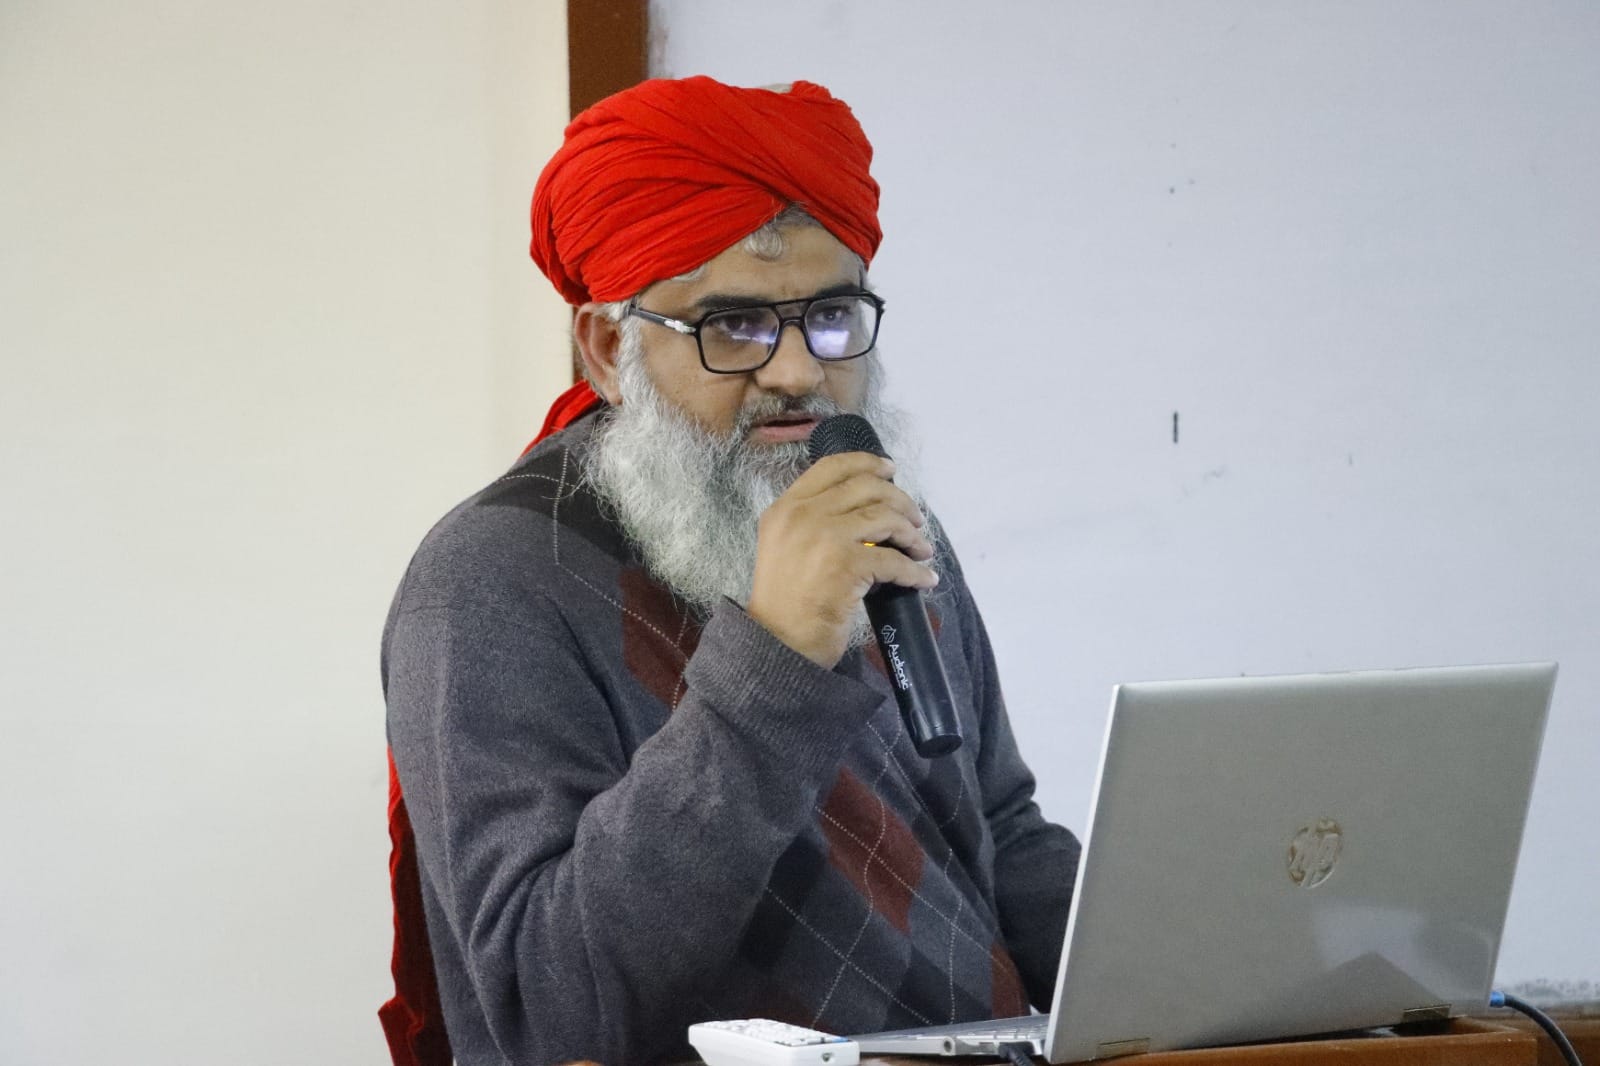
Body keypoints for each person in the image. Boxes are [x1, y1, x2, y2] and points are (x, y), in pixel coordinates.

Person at [381, 75, 1081, 1066]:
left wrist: (1191, 979)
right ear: (607, 348)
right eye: (734, 325)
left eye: (829, 314)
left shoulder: (876, 511)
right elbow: (546, 1004)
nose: (797, 371)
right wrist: (776, 659)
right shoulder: (490, 582)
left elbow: (998, 831)